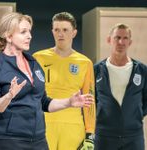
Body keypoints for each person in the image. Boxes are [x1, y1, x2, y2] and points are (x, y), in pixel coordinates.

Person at [0, 12, 94, 150]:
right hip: (10, 140)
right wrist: (9, 95)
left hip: (39, 139)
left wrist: (69, 102)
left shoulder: (33, 63)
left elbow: (43, 102)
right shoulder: (1, 64)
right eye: (23, 32)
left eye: (29, 31)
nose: (29, 36)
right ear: (8, 35)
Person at [33, 12, 96, 150]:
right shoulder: (38, 58)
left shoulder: (85, 63)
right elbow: (31, 95)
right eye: (57, 30)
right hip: (44, 125)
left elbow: (89, 101)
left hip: (73, 128)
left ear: (74, 33)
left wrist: (90, 134)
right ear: (52, 32)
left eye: (65, 30)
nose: (60, 34)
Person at [94, 23, 147, 150]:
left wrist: (134, 114)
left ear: (130, 42)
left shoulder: (141, 70)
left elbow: (145, 101)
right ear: (109, 40)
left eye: (125, 38)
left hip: (133, 137)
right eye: (117, 37)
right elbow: (92, 100)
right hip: (104, 136)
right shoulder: (96, 70)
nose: (121, 42)